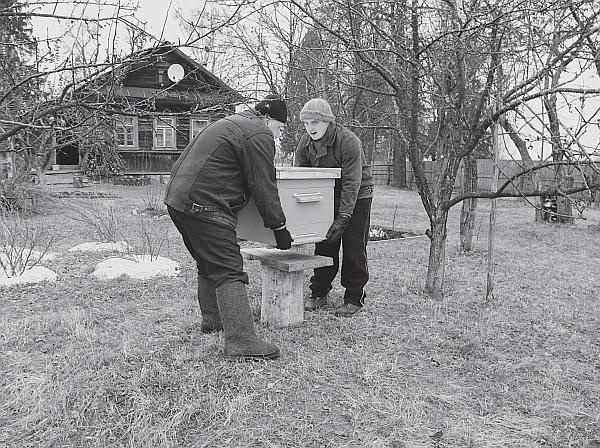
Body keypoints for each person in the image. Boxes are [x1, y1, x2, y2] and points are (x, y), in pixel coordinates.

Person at [164, 94, 293, 360]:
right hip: (203, 203)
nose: (278, 136)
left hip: (177, 199)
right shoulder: (259, 132)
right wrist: (278, 227)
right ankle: (241, 341)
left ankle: (214, 320)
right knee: (228, 267)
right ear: (270, 119)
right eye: (280, 128)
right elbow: (263, 184)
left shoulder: (232, 122)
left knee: (208, 262)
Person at [294, 98, 373, 317]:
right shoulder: (305, 143)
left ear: (328, 122)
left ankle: (354, 297)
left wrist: (344, 216)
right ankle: (319, 291)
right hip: (326, 194)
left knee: (353, 245)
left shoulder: (348, 141)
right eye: (307, 123)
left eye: (316, 122)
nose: (311, 128)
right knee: (325, 242)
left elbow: (351, 183)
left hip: (358, 194)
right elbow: (300, 178)